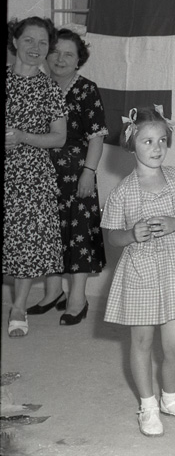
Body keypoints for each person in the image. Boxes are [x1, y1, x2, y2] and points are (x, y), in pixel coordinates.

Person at [102, 105, 175, 438]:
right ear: (131, 145)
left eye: (162, 140)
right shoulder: (122, 191)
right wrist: (131, 234)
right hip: (140, 273)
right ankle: (148, 405)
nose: (157, 147)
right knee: (142, 342)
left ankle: (170, 399)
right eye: (147, 141)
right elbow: (112, 237)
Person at [26, 29, 108, 325]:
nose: (60, 59)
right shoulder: (36, 85)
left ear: (78, 60)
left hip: (76, 174)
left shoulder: (86, 90)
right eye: (55, 52)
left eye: (68, 54)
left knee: (78, 234)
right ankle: (52, 292)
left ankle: (77, 298)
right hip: (40, 174)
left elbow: (97, 137)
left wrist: (89, 172)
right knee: (49, 232)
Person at [4, 17, 67, 338]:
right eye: (28, 40)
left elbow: (59, 137)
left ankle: (18, 307)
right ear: (15, 42)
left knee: (27, 242)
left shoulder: (50, 89)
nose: (35, 48)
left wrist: (22, 136)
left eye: (43, 42)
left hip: (32, 176)